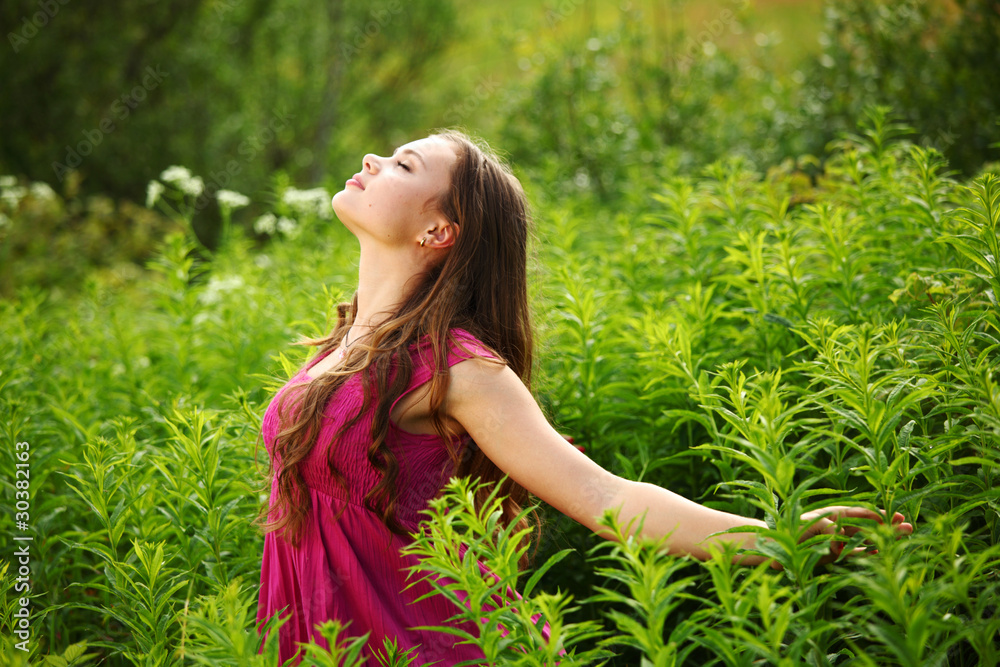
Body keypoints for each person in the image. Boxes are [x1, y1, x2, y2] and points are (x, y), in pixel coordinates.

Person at [254, 130, 913, 665]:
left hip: (416, 645)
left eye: (403, 164)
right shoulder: (343, 344)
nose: (372, 158)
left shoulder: (456, 366)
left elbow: (605, 496)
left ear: (440, 230)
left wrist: (779, 537)